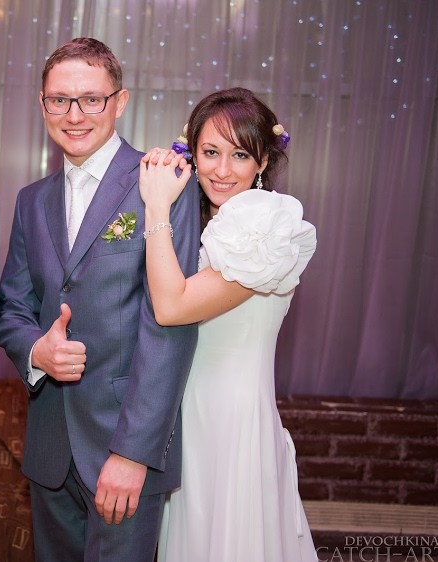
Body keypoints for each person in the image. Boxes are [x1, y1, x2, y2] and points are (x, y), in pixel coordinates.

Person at [0, 37, 200, 562]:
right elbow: (13, 305)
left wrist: (134, 454)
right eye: (59, 100)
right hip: (49, 448)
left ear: (120, 101)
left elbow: (169, 327)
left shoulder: (164, 184)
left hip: (123, 447)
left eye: (91, 98)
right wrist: (36, 351)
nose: (74, 115)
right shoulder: (31, 200)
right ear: (42, 104)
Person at [138, 87, 318, 561]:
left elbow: (171, 307)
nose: (221, 170)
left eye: (239, 155)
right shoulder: (204, 222)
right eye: (210, 152)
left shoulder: (266, 223)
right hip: (185, 416)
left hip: (230, 419)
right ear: (192, 154)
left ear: (263, 161)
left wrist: (155, 207)